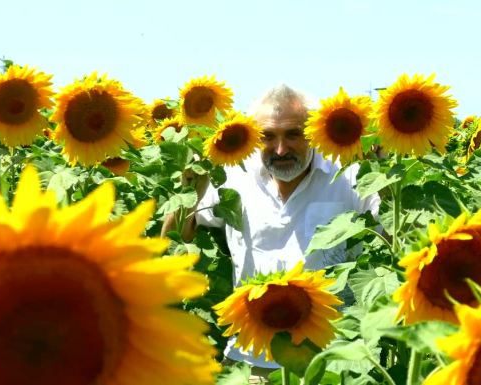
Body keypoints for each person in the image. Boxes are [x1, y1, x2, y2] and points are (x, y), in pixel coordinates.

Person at [162, 84, 380, 383]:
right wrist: (190, 189)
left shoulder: (349, 177)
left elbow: (397, 238)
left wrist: (385, 174)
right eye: (268, 136)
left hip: (331, 360)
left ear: (314, 132)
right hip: (251, 359)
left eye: (293, 134)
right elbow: (174, 240)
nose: (280, 149)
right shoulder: (235, 176)